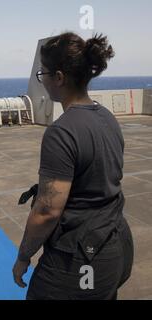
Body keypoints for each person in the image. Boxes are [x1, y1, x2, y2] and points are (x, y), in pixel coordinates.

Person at [12, 32, 134, 300]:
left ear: (59, 78)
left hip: (78, 261)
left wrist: (23, 256)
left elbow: (47, 211)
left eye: (43, 74)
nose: (42, 81)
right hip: (115, 248)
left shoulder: (61, 132)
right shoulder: (108, 118)